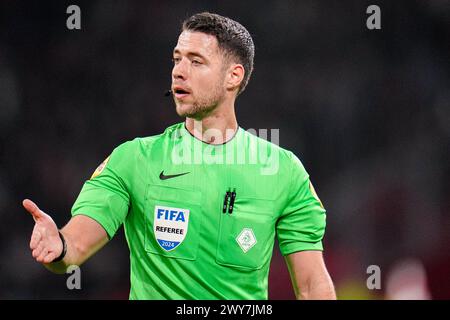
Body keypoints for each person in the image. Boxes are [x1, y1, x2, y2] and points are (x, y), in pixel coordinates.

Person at [23, 12, 336, 300]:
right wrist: (59, 246)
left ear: (233, 76)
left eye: (196, 61)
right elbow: (75, 245)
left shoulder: (283, 171)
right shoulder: (134, 159)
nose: (178, 72)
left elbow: (311, 285)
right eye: (177, 59)